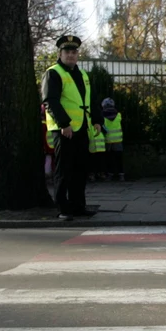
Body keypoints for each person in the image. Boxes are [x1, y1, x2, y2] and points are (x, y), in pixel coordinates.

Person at [41, 34, 102, 221]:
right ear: (60, 53)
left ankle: (78, 205)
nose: (71, 55)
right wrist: (64, 123)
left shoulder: (81, 74)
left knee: (80, 169)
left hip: (82, 128)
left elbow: (91, 99)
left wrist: (97, 120)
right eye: (67, 51)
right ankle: (63, 208)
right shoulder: (53, 73)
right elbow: (50, 101)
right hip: (65, 131)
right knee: (64, 170)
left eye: (74, 52)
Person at [102, 97, 125, 181]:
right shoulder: (118, 114)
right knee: (119, 158)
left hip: (107, 140)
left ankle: (110, 175)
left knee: (109, 159)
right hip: (118, 140)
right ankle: (121, 175)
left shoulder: (102, 115)